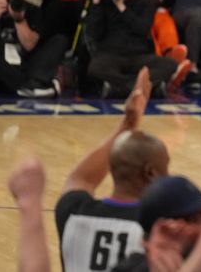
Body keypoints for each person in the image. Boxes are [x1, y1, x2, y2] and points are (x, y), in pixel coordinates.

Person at [55, 67, 170, 272]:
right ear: (151, 174)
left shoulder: (73, 213)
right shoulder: (159, 233)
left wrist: (128, 124)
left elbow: (81, 179)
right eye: (166, 169)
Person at [0, 0, 67, 97]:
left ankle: (34, 83)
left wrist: (19, 19)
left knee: (59, 40)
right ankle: (38, 86)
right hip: (2, 68)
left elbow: (29, 45)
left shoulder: (31, 11)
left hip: (25, 67)